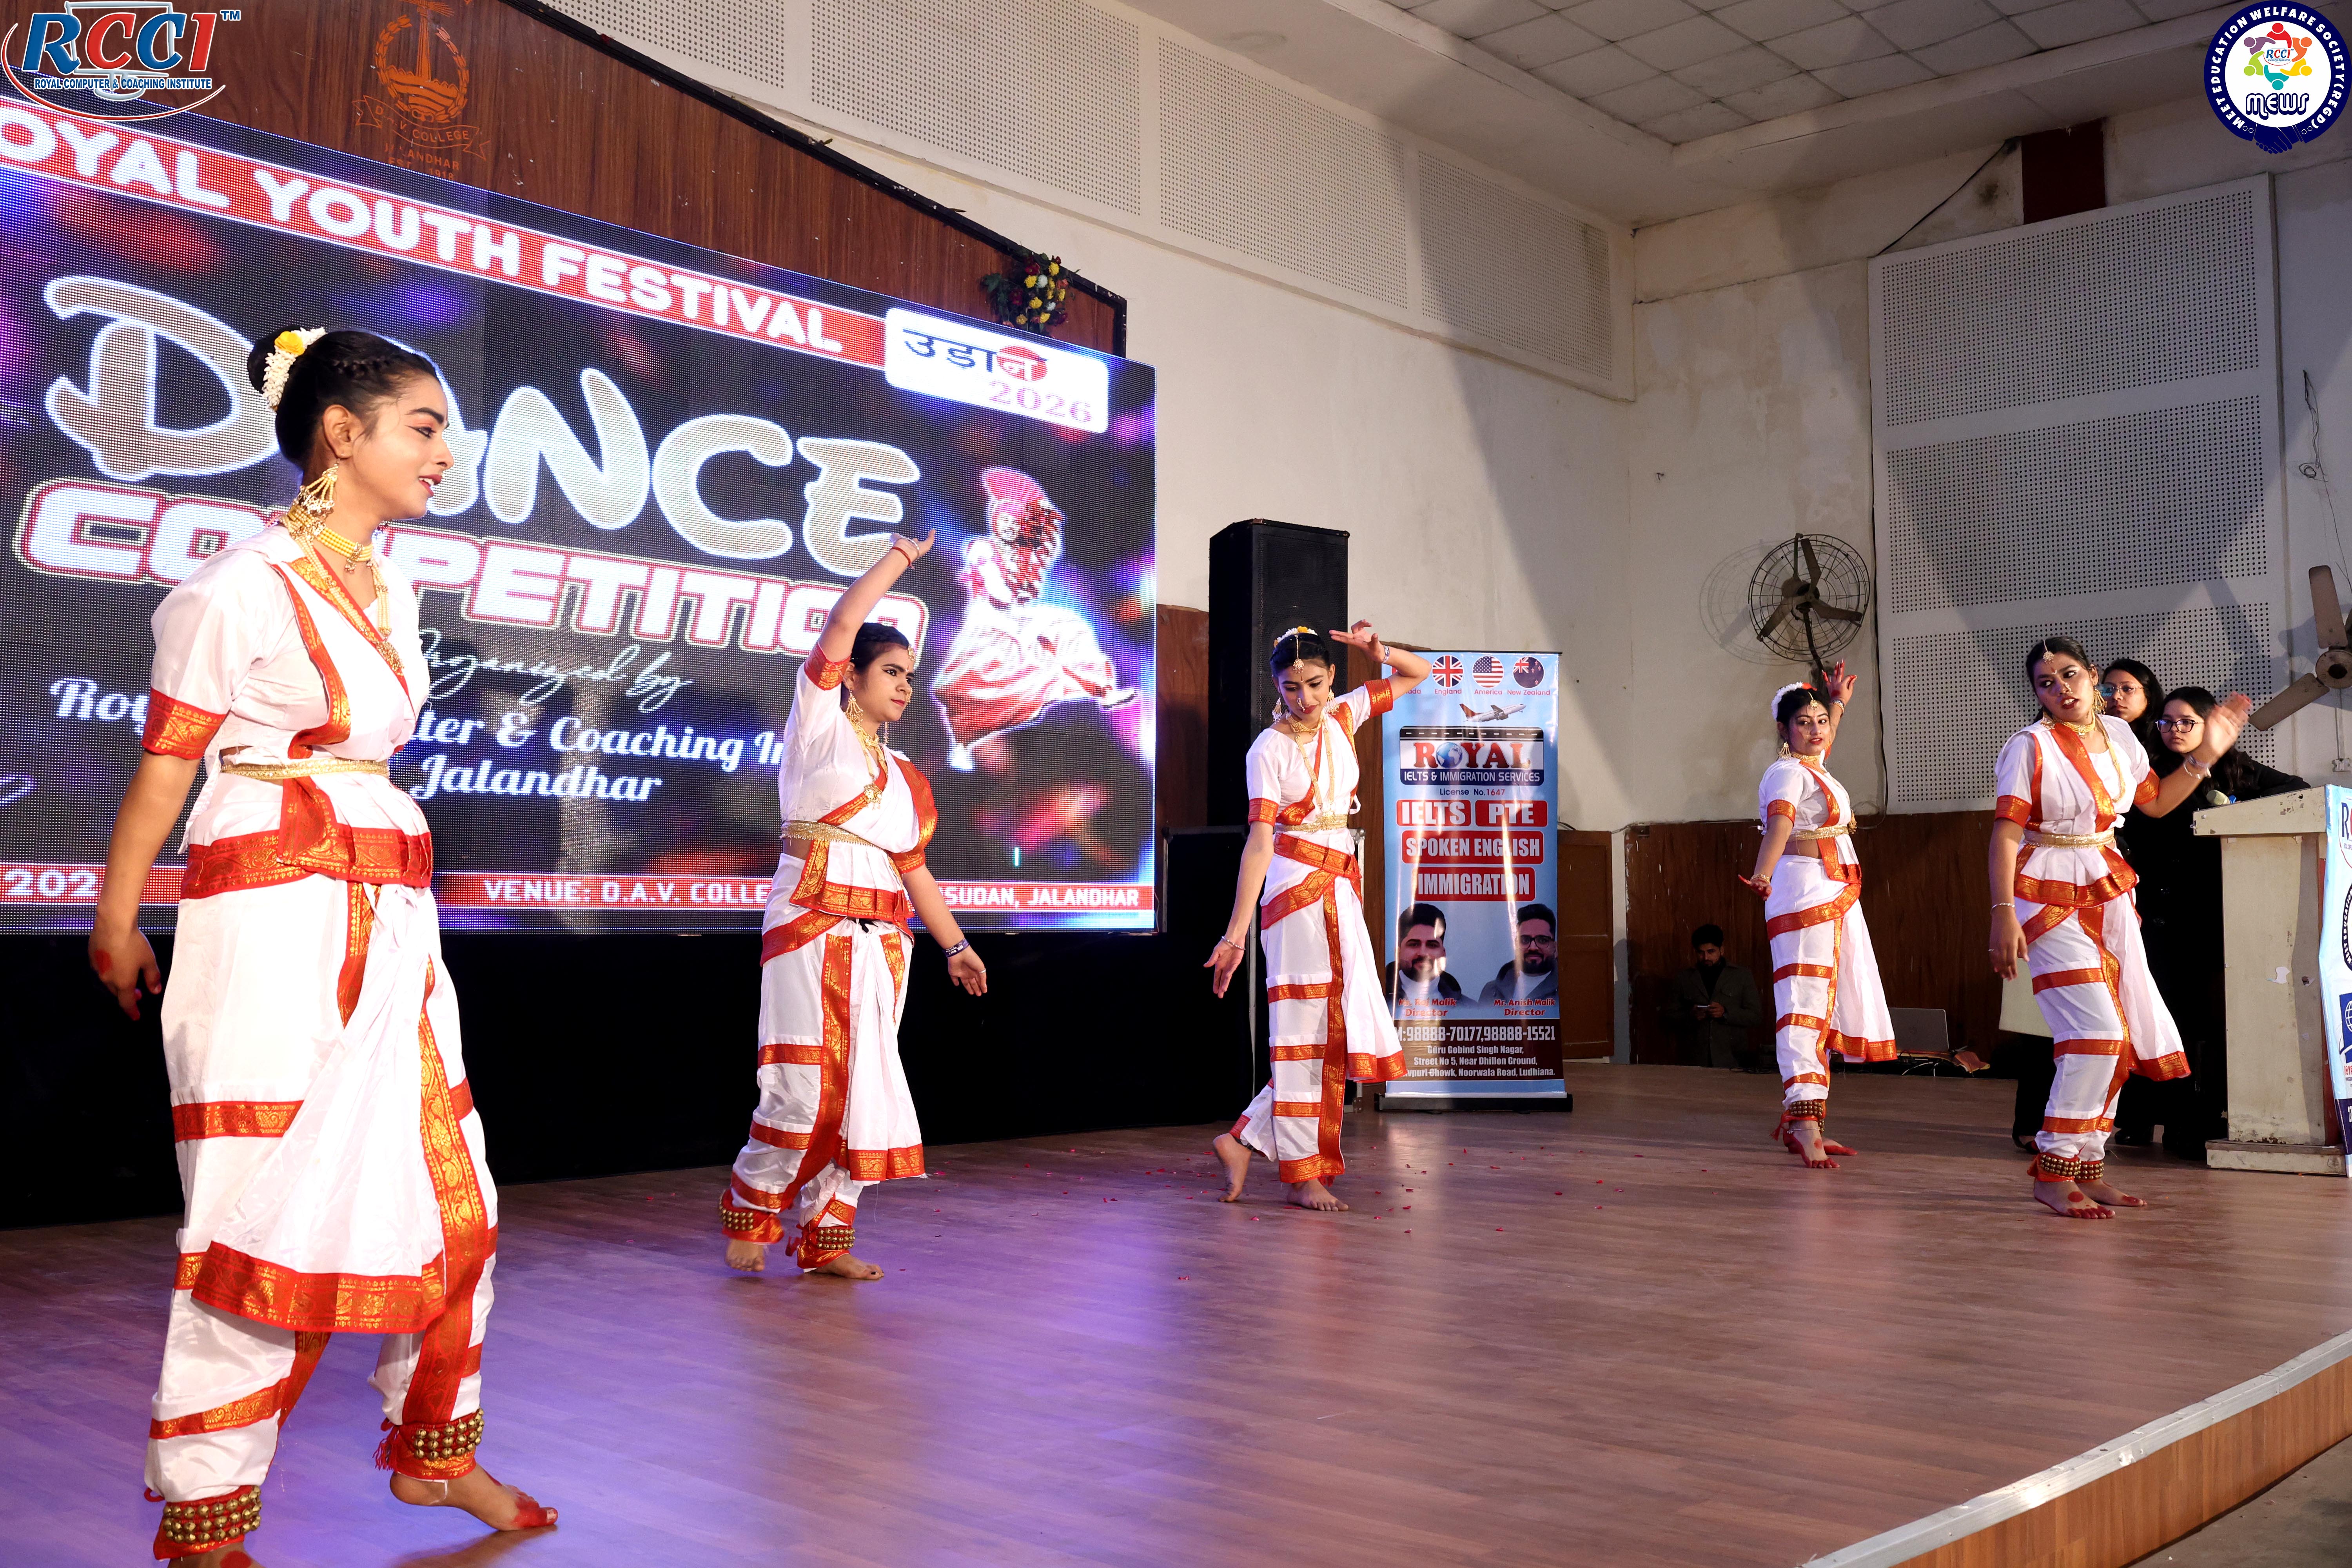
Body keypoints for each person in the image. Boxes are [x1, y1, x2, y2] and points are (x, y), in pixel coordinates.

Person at [87, 327, 554, 1566]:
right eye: (425, 427)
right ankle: (207, 1511)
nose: (445, 454)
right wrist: (117, 917)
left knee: (456, 1197)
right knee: (260, 1207)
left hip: (390, 912)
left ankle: (435, 1448)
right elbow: (166, 770)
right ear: (343, 434)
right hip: (271, 911)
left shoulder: (393, 588)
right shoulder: (238, 587)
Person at [720, 532, 989, 1278]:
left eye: (910, 676)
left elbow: (915, 870)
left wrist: (957, 947)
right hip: (812, 924)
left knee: (867, 1093)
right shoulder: (818, 729)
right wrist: (901, 560)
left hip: (885, 941)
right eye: (891, 671)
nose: (905, 686)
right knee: (803, 1085)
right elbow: (843, 623)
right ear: (851, 677)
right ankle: (752, 1209)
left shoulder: (907, 775)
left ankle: (826, 1239)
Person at [1988, 637, 2251, 1218]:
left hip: (2108, 889)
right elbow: (2005, 834)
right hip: (2044, 894)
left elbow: (2155, 804)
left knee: (2121, 1034)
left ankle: (2089, 1165)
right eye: (2046, 683)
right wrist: (2002, 912)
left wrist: (2207, 754)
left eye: (2069, 675)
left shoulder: (2120, 736)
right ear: (2037, 694)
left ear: (2092, 678)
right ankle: (2054, 1168)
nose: (2061, 689)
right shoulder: (2028, 746)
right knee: (2097, 1034)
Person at [1205, 624, 1434, 1211]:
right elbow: (1259, 844)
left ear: (1332, 677)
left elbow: (1418, 673)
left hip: (1341, 888)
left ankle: (1243, 1140)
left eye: (1313, 683)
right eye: (1291, 687)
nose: (1304, 698)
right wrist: (1235, 935)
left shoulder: (1344, 715)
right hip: (1296, 895)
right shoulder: (1268, 749)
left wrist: (1380, 653)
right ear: (1276, 687)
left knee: (1337, 1029)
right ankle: (1302, 1173)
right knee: (1304, 1032)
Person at [2116, 686, 2308, 1158]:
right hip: (2160, 912)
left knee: (2211, 1022)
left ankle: (2203, 1120)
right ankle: (2162, 1120)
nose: (2174, 730)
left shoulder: (2233, 768)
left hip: (2215, 909)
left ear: (2211, 727)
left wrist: (2238, 813)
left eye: (2187, 722)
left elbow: (2296, 788)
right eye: (2167, 722)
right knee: (2166, 1019)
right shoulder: (2151, 771)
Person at [1739, 665, 1896, 1167]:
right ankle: (1804, 1122)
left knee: (1824, 1003)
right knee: (1804, 1002)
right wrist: (1762, 874)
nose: (1817, 730)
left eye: (1821, 722)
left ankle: (1809, 1121)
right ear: (1783, 730)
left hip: (1833, 891)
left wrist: (1838, 703)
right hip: (1805, 891)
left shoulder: (1814, 768)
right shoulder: (1786, 773)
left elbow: (1822, 744)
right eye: (1804, 723)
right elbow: (1780, 825)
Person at [930, 466, 1136, 771]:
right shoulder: (983, 549)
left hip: (1022, 618)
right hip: (992, 619)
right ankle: (962, 744)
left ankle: (1104, 690)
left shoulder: (1029, 553)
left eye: (1014, 521)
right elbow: (999, 594)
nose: (1009, 526)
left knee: (1070, 629)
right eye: (1004, 520)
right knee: (978, 680)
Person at [1661, 924, 1765, 1071]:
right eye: (1701, 953)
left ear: (1722, 950)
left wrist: (1726, 1013)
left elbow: (1755, 1016)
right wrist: (1691, 1015)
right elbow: (1669, 1016)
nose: (1706, 958)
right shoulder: (1684, 978)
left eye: (1711, 952)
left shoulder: (1741, 976)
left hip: (1732, 1058)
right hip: (1694, 1060)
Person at [1479, 904, 1558, 1003]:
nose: (1533, 948)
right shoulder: (1490, 992)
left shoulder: (1568, 989)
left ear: (1555, 948)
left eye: (1542, 940)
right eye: (1525, 940)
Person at [1387, 901, 1463, 1003]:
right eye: (1414, 944)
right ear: (1398, 953)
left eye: (1432, 945)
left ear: (1443, 954)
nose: (1423, 953)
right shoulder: (1376, 1001)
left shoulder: (1468, 1008)